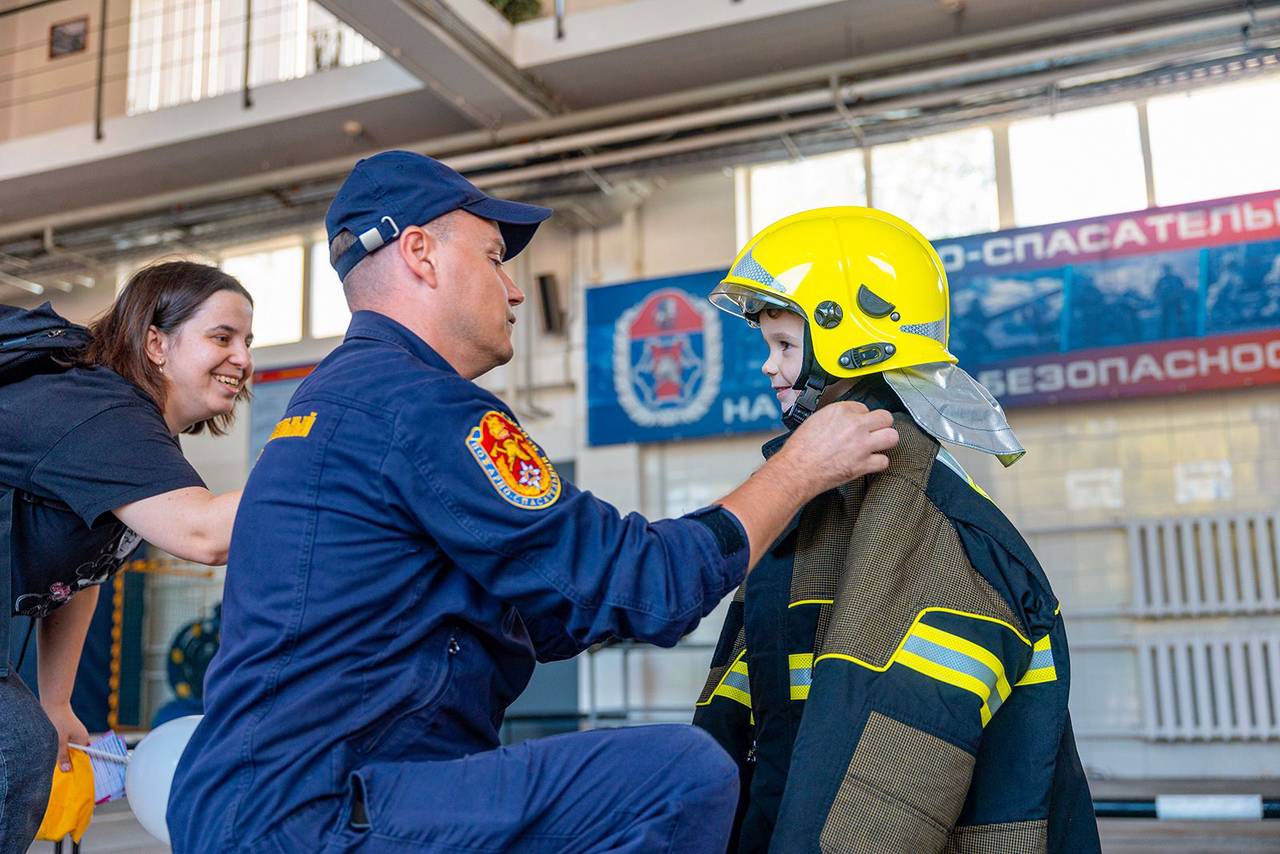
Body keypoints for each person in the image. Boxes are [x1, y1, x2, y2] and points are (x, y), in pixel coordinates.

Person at [168, 151, 900, 854]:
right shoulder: (422, 406)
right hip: (321, 815)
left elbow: (551, 607)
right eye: (494, 258)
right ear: (420, 254)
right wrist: (798, 472)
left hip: (256, 803)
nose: (515, 289)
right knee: (682, 776)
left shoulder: (330, 402)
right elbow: (642, 587)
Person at [693, 207, 1101, 853]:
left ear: (849, 342)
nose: (769, 369)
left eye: (784, 346)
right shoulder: (829, 508)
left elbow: (878, 794)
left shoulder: (921, 527)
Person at [0, 261, 252, 853]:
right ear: (156, 343)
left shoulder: (132, 436)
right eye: (222, 337)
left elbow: (83, 572)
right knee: (14, 744)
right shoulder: (105, 414)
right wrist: (324, 457)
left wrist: (57, 700)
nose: (242, 358)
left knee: (26, 733)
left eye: (247, 341)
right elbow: (204, 536)